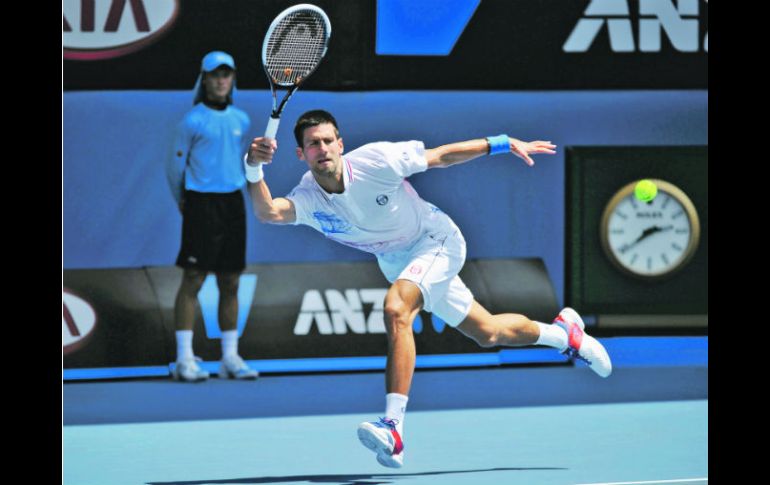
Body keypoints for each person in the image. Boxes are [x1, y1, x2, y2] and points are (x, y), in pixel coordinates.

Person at [244, 109, 611, 467]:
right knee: (488, 332)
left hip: (435, 240)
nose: (321, 148)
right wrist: (253, 167)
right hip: (396, 262)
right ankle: (565, 335)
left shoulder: (377, 160)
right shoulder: (309, 197)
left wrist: (501, 143)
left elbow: (440, 156)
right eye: (312, 144)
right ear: (301, 154)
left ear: (341, 144)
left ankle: (393, 427)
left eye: (327, 141)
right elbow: (269, 212)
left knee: (396, 309)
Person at [165, 51, 259, 382]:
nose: (221, 80)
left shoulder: (241, 120)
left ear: (232, 79)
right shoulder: (191, 121)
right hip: (200, 203)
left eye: (226, 74)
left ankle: (229, 358)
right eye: (215, 75)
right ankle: (184, 359)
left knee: (231, 280)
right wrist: (184, 201)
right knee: (193, 278)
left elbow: (240, 161)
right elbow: (174, 168)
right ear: (204, 79)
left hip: (232, 202)